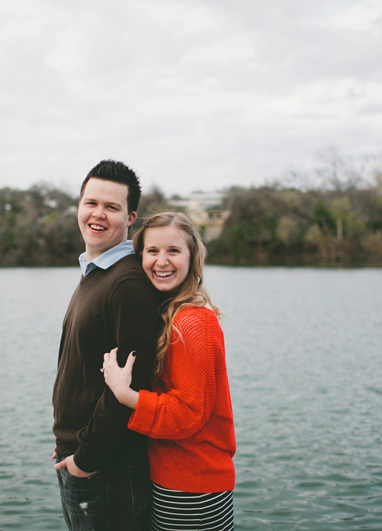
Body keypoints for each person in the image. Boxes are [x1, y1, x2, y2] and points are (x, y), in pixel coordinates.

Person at [102, 212, 236, 531]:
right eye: (152, 251)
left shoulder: (191, 322)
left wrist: (126, 395)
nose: (162, 261)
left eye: (173, 251)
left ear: (192, 257)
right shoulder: (168, 314)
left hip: (192, 487)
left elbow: (188, 414)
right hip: (175, 479)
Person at [52, 159, 161, 530]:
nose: (98, 214)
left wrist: (86, 457)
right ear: (79, 206)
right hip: (82, 457)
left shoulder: (126, 284)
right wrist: (68, 441)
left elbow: (133, 386)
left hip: (107, 469)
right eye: (91, 203)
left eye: (112, 207)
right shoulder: (96, 272)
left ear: (131, 218)